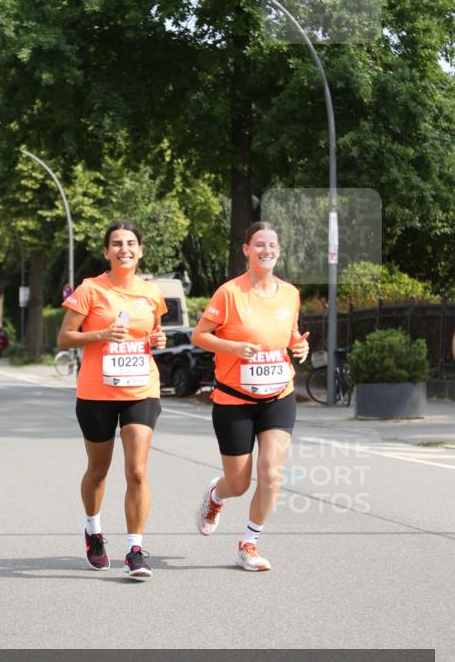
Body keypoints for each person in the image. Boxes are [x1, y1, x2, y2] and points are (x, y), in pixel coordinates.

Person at [192, 222, 309, 571]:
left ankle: (249, 544)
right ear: (246, 250)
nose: (266, 250)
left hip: (278, 395)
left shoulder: (290, 293)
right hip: (233, 399)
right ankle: (216, 495)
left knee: (271, 473)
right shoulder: (229, 293)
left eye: (272, 244)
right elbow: (201, 336)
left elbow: (289, 336)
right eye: (259, 244)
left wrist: (299, 345)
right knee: (239, 483)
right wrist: (233, 347)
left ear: (279, 250)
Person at [57, 220, 167, 579]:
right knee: (99, 471)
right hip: (96, 391)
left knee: (137, 470)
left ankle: (135, 549)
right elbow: (65, 338)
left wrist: (158, 340)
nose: (125, 249)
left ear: (141, 250)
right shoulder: (90, 290)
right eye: (117, 243)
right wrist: (101, 333)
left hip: (141, 388)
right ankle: (93, 530)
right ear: (107, 252)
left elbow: (152, 332)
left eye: (131, 243)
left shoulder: (152, 292)